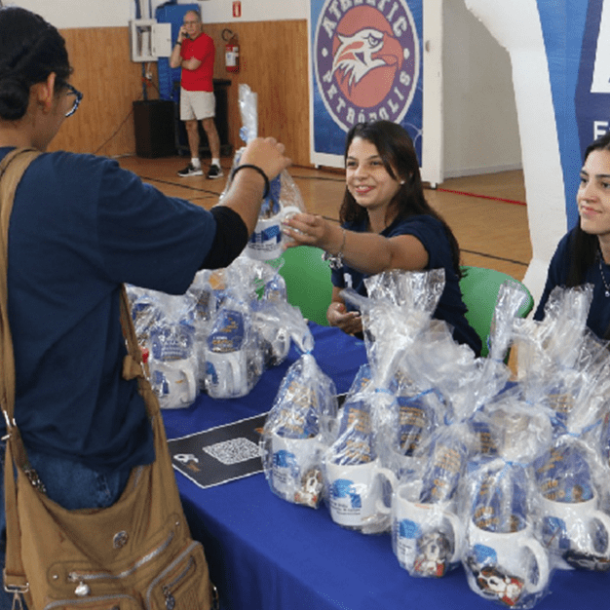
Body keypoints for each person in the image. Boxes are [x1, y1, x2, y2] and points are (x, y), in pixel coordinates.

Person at [0, 5, 290, 606]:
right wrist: (253, 171)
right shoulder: (72, 187)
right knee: (127, 583)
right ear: (45, 91)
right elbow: (218, 238)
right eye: (68, 95)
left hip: (20, 435)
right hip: (87, 447)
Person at [282, 120, 482, 356]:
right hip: (376, 360)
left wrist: (331, 237)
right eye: (352, 164)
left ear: (406, 174)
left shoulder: (426, 231)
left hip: (444, 364)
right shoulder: (352, 230)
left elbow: (387, 256)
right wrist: (336, 314)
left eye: (375, 163)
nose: (359, 175)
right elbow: (340, 298)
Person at [534, 131, 610, 338]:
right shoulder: (573, 246)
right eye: (584, 180)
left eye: (605, 185)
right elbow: (542, 331)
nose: (586, 195)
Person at [169, 8, 223, 179]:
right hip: (186, 89)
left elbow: (193, 65)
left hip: (202, 89)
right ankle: (195, 163)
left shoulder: (206, 41)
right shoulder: (184, 42)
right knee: (190, 126)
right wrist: (179, 40)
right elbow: (172, 63)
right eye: (186, 23)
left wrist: (182, 63)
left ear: (199, 24)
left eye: (192, 22)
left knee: (208, 125)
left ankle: (216, 163)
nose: (189, 26)